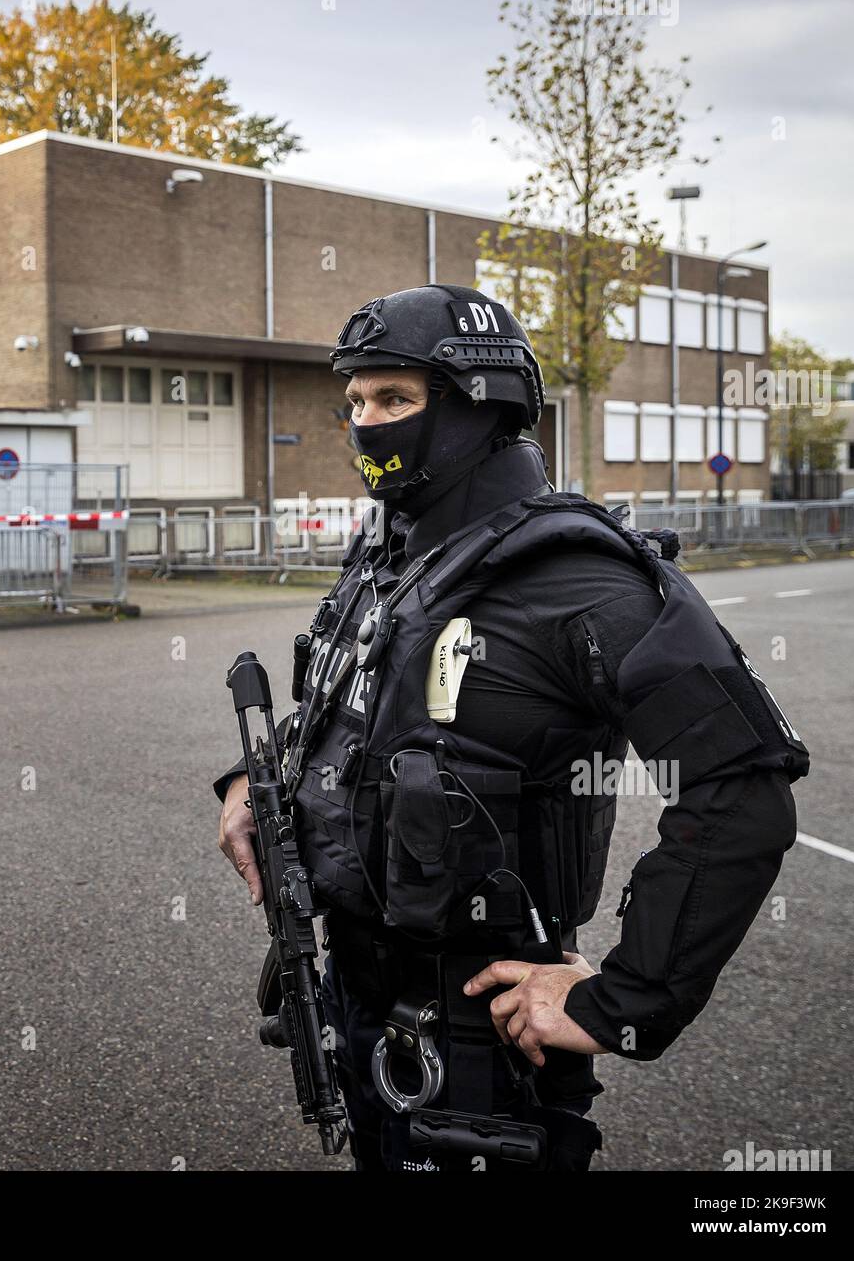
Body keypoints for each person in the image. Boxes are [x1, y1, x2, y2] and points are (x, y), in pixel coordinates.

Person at [215, 285, 809, 1171]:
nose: (365, 425)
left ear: (479, 406)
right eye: (355, 403)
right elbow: (363, 707)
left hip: (484, 1041)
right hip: (357, 995)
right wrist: (247, 783)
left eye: (396, 400)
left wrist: (622, 999)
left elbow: (741, 791)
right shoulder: (397, 555)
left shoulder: (579, 576)